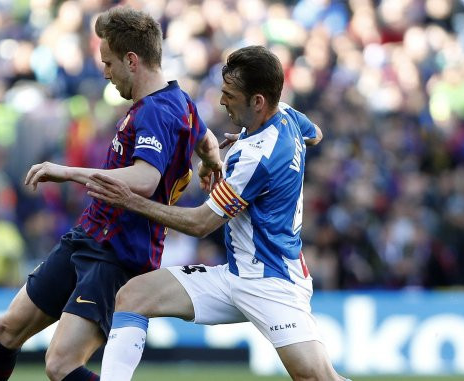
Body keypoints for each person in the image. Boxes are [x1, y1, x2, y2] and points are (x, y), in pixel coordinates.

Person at [0, 6, 222, 381]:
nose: (105, 71)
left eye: (108, 62)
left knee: (60, 365)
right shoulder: (180, 102)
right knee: (6, 330)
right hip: (87, 238)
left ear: (132, 60)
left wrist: (68, 172)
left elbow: (144, 178)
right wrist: (210, 164)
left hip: (117, 254)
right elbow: (208, 141)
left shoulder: (157, 112)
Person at [87, 45, 350, 381]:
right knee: (133, 296)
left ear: (257, 101)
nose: (222, 101)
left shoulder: (257, 159)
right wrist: (246, 135)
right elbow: (315, 135)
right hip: (235, 276)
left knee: (318, 378)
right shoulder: (285, 115)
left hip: (271, 282)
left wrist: (130, 200)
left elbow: (200, 224)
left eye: (229, 95)